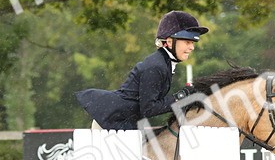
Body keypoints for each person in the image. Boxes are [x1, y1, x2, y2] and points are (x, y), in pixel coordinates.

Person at [75, 11, 207, 130]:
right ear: (169, 42)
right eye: (187, 42)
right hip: (112, 122)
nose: (191, 47)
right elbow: (149, 109)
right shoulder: (157, 66)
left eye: (193, 43)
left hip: (123, 121)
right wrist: (180, 97)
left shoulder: (164, 62)